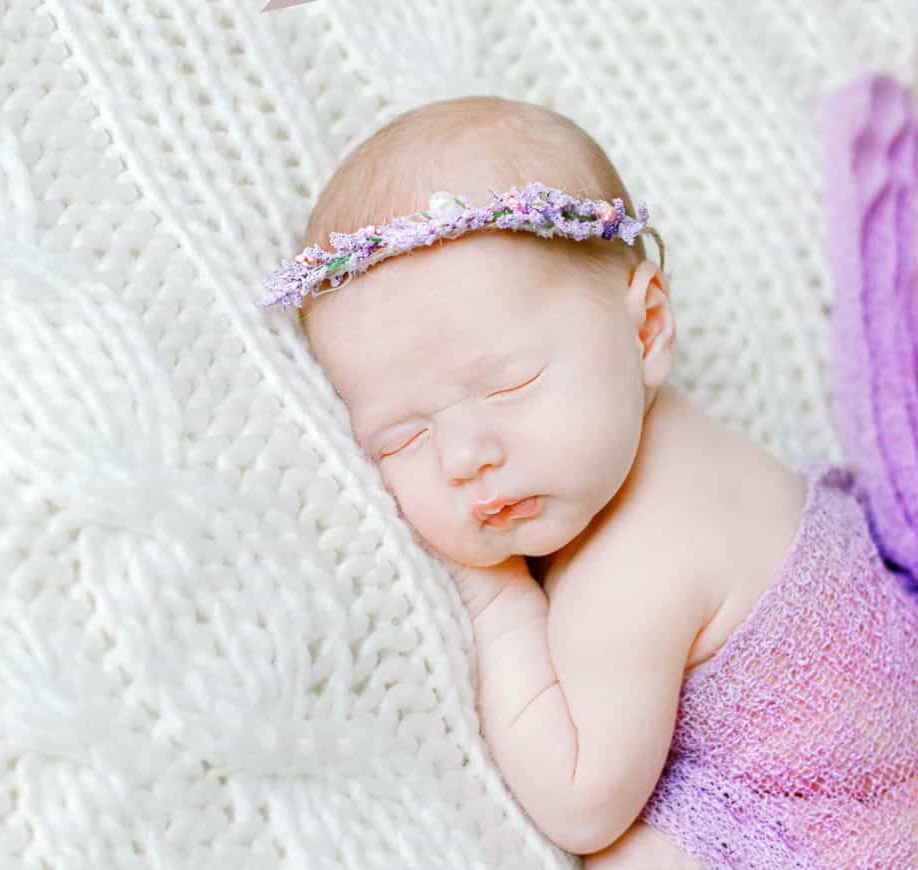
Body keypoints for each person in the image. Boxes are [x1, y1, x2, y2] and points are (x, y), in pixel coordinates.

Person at [258, 94, 918, 868]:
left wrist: (496, 599)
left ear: (646, 331)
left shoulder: (637, 564)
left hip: (846, 829)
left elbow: (579, 803)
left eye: (508, 386)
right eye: (400, 436)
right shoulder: (671, 437)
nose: (463, 456)